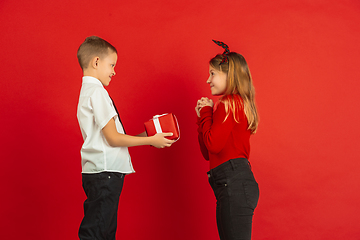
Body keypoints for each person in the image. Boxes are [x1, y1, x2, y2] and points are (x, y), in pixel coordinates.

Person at [76, 36, 175, 240]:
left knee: (103, 232)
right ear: (96, 62)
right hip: (106, 173)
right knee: (96, 233)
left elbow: (111, 137)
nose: (114, 71)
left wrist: (148, 135)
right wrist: (150, 141)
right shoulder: (97, 92)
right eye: (111, 64)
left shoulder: (88, 92)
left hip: (101, 172)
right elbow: (113, 139)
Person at [195, 40, 260, 240]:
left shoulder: (229, 103)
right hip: (229, 184)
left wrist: (206, 112)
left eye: (213, 73)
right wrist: (202, 119)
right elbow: (209, 151)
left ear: (229, 75)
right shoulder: (233, 105)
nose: (208, 80)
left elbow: (212, 144)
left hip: (234, 184)